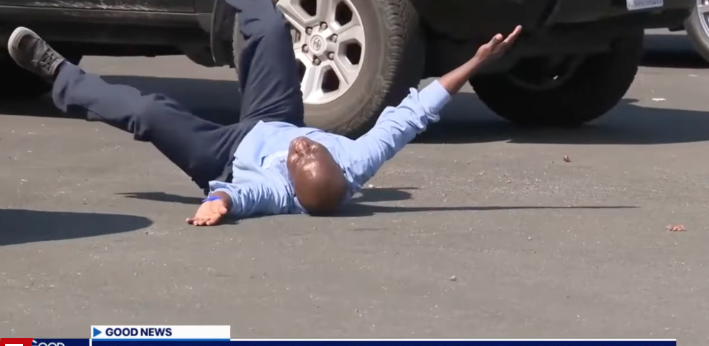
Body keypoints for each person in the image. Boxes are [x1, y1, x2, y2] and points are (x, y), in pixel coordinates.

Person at [6, 0, 522, 227]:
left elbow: (244, 194)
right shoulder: (357, 159)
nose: (303, 145)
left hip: (224, 159)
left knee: (149, 111)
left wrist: (221, 203)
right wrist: (475, 61)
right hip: (272, 115)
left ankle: (58, 74)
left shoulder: (275, 191)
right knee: (272, 30)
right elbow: (413, 114)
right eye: (311, 147)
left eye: (297, 156)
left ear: (292, 183)